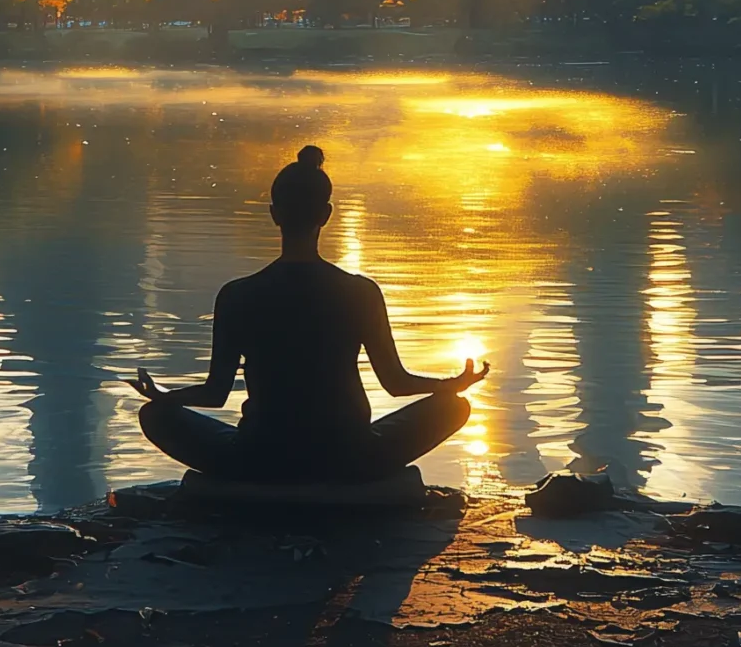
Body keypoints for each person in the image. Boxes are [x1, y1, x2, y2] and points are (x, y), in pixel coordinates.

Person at [127, 145, 488, 484]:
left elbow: (215, 392)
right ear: (326, 215)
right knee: (453, 407)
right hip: (350, 457)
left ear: (274, 214)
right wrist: (450, 385)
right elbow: (396, 383)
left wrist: (163, 395)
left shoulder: (237, 294)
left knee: (155, 416)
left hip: (259, 457)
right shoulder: (360, 292)